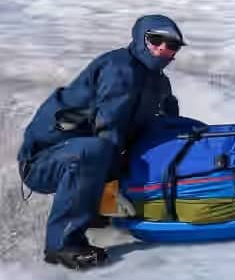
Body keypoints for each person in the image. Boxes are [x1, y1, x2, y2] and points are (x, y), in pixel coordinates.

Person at [17, 15, 186, 270]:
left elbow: (166, 124)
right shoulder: (119, 68)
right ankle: (62, 245)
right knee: (94, 151)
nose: (163, 48)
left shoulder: (160, 83)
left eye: (172, 45)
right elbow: (108, 128)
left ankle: (97, 213)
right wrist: (112, 186)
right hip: (45, 160)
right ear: (140, 39)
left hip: (94, 156)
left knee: (135, 149)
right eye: (156, 40)